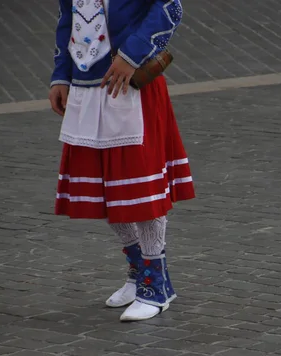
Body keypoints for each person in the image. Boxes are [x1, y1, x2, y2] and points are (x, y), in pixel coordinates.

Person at [48, 0, 195, 321]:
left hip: (130, 83)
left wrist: (131, 55)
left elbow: (170, 7)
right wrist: (60, 76)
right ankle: (140, 273)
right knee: (107, 188)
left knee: (140, 188)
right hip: (86, 88)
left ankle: (155, 285)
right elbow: (68, 18)